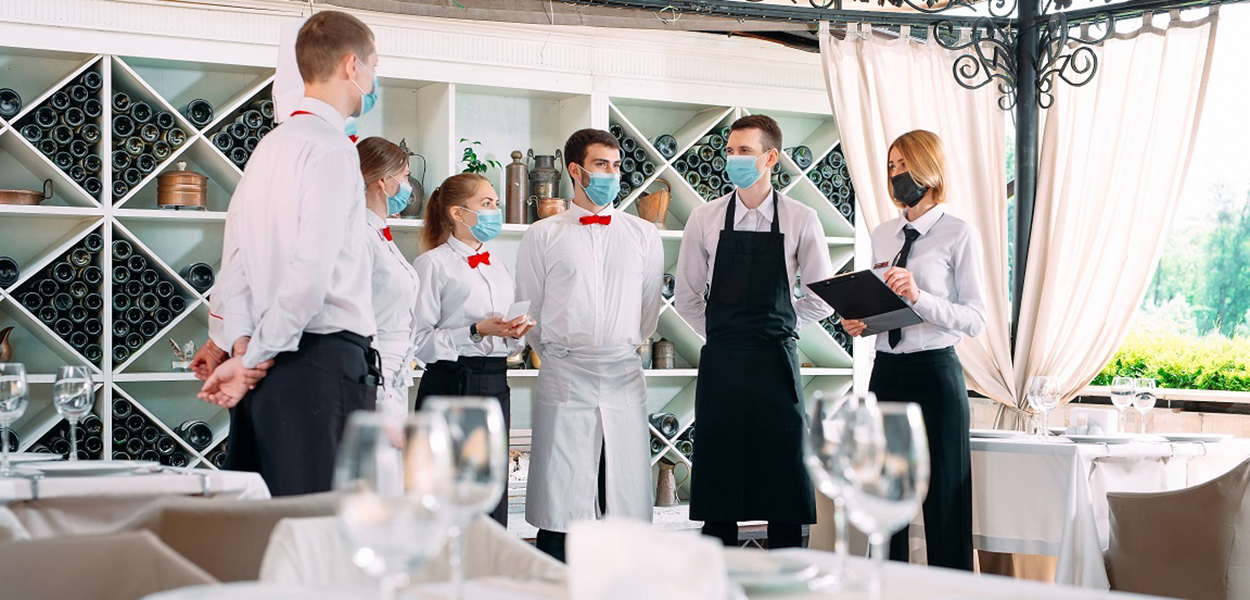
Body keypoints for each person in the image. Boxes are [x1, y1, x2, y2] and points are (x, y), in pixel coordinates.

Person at [198, 11, 382, 497]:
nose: (373, 80)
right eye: (374, 66)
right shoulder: (332, 149)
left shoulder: (269, 147)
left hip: (267, 369)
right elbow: (309, 277)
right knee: (323, 522)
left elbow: (236, 262)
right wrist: (251, 357)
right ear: (352, 66)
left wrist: (242, 345)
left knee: (270, 521)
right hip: (320, 366)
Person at [675, 114, 834, 549]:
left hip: (776, 362)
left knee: (783, 485)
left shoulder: (802, 218)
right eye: (730, 150)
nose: (734, 158)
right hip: (722, 363)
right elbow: (686, 297)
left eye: (744, 151)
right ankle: (718, 576)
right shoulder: (704, 218)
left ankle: (788, 574)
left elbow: (822, 298)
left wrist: (779, 324)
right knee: (719, 484)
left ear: (771, 158)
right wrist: (723, 334)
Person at [515, 128, 664, 562]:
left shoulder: (643, 234)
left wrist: (618, 343)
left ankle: (621, 584)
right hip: (565, 371)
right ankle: (554, 581)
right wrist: (562, 350)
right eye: (602, 165)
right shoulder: (542, 234)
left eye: (616, 166)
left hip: (623, 371)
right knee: (561, 496)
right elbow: (531, 307)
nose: (612, 174)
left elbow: (649, 309)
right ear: (576, 171)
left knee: (623, 489)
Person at [842, 129, 986, 570]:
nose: (896, 174)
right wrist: (861, 320)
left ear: (929, 167)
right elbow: (883, 304)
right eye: (891, 166)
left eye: (904, 164)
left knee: (946, 500)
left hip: (936, 373)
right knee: (885, 499)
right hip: (885, 372)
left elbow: (975, 319)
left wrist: (920, 296)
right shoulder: (883, 234)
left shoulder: (959, 233)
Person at [412, 172, 531, 527]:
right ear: (458, 213)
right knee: (449, 491)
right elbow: (418, 342)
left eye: (496, 203)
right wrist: (475, 332)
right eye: (487, 203)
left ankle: (489, 558)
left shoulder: (498, 266)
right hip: (452, 382)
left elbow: (504, 340)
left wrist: (514, 333)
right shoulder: (432, 265)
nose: (496, 210)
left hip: (496, 381)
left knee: (492, 488)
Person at [356, 136, 422, 420]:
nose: (408, 185)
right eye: (405, 176)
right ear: (383, 181)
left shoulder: (381, 235)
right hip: (372, 367)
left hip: (395, 370)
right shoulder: (360, 235)